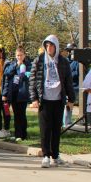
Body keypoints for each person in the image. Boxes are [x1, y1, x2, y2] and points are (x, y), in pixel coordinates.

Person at [30, 35, 75, 168]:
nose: (49, 48)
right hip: (44, 100)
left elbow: (68, 81)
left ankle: (55, 155)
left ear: (56, 46)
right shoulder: (39, 60)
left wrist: (71, 99)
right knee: (45, 129)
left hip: (58, 100)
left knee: (56, 129)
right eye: (47, 45)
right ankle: (45, 156)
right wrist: (34, 98)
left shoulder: (63, 61)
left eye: (51, 45)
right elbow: (32, 79)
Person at [3, 47, 31, 142]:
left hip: (22, 93)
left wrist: (23, 72)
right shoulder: (12, 64)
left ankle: (23, 134)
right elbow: (7, 73)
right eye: (18, 55)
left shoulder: (28, 64)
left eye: (21, 55)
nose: (19, 57)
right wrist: (16, 65)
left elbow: (28, 76)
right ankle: (17, 134)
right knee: (16, 114)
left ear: (24, 55)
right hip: (14, 93)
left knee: (22, 114)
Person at [61, 43, 79, 126]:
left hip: (75, 86)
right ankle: (66, 123)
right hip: (66, 86)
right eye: (68, 50)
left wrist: (69, 74)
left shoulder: (77, 62)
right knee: (67, 106)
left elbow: (78, 73)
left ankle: (67, 122)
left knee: (70, 105)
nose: (69, 52)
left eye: (71, 50)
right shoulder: (66, 60)